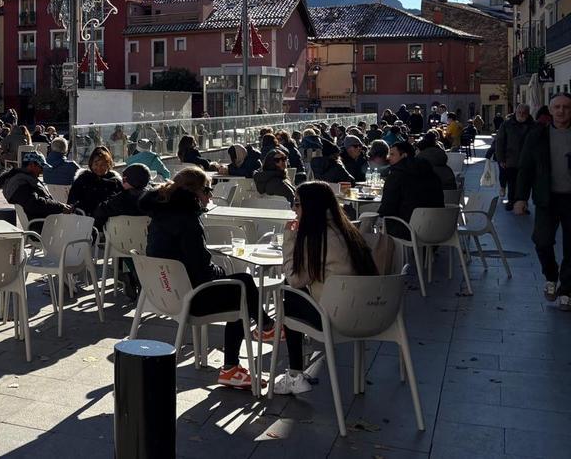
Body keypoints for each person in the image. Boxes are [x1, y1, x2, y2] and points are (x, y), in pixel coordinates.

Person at [140, 166, 273, 389]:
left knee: (239, 285)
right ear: (195, 193)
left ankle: (265, 327)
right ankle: (253, 341)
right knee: (243, 285)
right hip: (190, 298)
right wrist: (224, 274)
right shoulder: (188, 221)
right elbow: (201, 269)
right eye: (208, 189)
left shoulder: (160, 214)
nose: (210, 195)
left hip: (163, 293)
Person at [273, 182, 379, 395]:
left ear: (310, 206)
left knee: (288, 294)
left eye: (297, 203)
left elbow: (295, 279)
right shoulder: (348, 231)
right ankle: (295, 373)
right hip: (371, 312)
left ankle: (294, 374)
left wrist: (289, 239)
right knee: (293, 292)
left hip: (336, 318)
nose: (294, 209)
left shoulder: (317, 238)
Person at [514, 92, 571, 309]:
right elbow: (525, 168)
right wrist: (520, 198)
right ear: (550, 109)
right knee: (542, 240)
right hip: (547, 198)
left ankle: (566, 289)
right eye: (557, 107)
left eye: (566, 107)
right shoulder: (538, 135)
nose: (561, 111)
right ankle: (551, 275)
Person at [94, 163, 152, 300]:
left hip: (121, 245)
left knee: (124, 243)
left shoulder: (118, 200)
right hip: (149, 244)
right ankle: (140, 275)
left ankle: (132, 273)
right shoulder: (154, 198)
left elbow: (99, 213)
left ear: (127, 181)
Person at [379, 140, 444, 240]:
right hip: (438, 229)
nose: (388, 158)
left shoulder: (396, 176)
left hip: (407, 229)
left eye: (392, 154)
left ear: (404, 155)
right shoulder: (432, 174)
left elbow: (387, 208)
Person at [0, 151, 71, 233]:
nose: (42, 171)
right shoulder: (21, 184)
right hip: (43, 229)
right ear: (31, 165)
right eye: (41, 167)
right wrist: (60, 207)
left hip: (44, 224)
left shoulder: (24, 180)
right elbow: (35, 203)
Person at [494, 104, 535, 211]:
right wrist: (501, 159)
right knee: (512, 183)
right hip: (511, 160)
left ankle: (522, 204)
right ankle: (511, 201)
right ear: (515, 112)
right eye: (519, 112)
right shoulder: (507, 124)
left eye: (524, 113)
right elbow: (500, 142)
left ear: (528, 113)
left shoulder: (533, 125)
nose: (521, 115)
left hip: (527, 161)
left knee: (525, 184)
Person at [68, 147, 122, 220]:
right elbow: (72, 200)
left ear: (108, 164)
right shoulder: (83, 179)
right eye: (96, 164)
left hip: (109, 223)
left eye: (103, 164)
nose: (99, 168)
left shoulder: (115, 181)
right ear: (91, 163)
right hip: (84, 220)